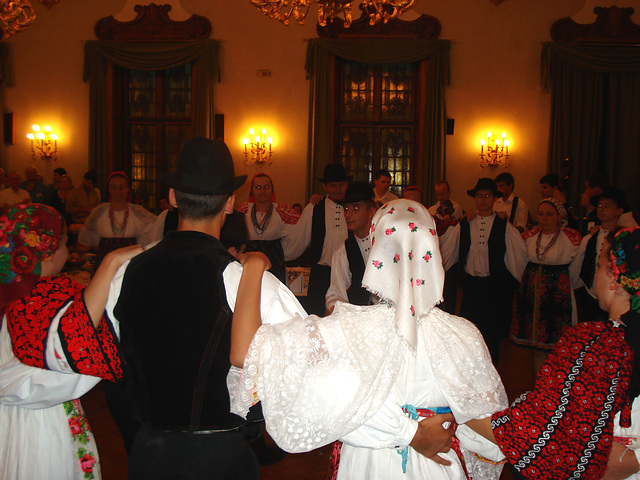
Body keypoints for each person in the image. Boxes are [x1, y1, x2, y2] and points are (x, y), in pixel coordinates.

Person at [232, 199, 508, 479]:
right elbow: (488, 429)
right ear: (433, 251)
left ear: (377, 253)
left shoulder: (349, 328)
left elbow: (246, 354)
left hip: (366, 466)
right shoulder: (463, 334)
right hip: (438, 464)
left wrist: (253, 268)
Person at [465, 227, 640, 480]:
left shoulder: (594, 345)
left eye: (600, 264)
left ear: (614, 278)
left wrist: (460, 411)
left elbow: (539, 433)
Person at [0, 203, 141, 479]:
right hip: (38, 427)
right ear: (45, 250)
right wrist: (112, 264)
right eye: (64, 241)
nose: (69, 247)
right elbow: (74, 350)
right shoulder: (36, 303)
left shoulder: (13, 297)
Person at [439, 178, 527, 362]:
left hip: (495, 288)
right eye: (479, 196)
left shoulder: (504, 226)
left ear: (494, 198)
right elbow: (447, 251)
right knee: (469, 335)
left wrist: (523, 284)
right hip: (471, 289)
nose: (483, 200)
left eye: (487, 196)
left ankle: (491, 376)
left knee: (492, 337)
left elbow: (517, 256)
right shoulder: (465, 224)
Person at [510, 198, 582, 373]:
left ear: (559, 216)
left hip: (558, 294)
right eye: (541, 214)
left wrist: (565, 285)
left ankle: (557, 386)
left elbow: (577, 267)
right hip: (534, 293)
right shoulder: (530, 237)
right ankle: (539, 385)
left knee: (558, 346)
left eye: (549, 214)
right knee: (538, 347)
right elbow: (519, 259)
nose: (544, 218)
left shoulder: (571, 239)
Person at [283, 163, 351, 316]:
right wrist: (276, 252)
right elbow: (297, 241)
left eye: (341, 185)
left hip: (349, 275)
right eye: (333, 186)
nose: (338, 189)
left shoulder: (354, 208)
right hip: (321, 275)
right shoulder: (314, 208)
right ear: (325, 187)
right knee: (317, 319)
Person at [78, 171, 156, 271]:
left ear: (128, 189)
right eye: (114, 188)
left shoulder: (138, 211)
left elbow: (155, 226)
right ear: (109, 190)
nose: (118, 192)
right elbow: (88, 234)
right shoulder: (99, 211)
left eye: (121, 188)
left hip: (130, 261)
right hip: (105, 261)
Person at [325, 182, 378, 314]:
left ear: (371, 212)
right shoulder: (343, 252)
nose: (348, 215)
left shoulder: (387, 244)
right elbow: (336, 293)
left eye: (356, 208)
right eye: (346, 209)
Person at [237, 173, 300, 283]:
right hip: (249, 262)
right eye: (258, 187)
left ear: (272, 189)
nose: (262, 191)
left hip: (274, 262)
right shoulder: (244, 210)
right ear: (252, 190)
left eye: (266, 187)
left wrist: (313, 204)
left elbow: (301, 228)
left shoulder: (282, 211)